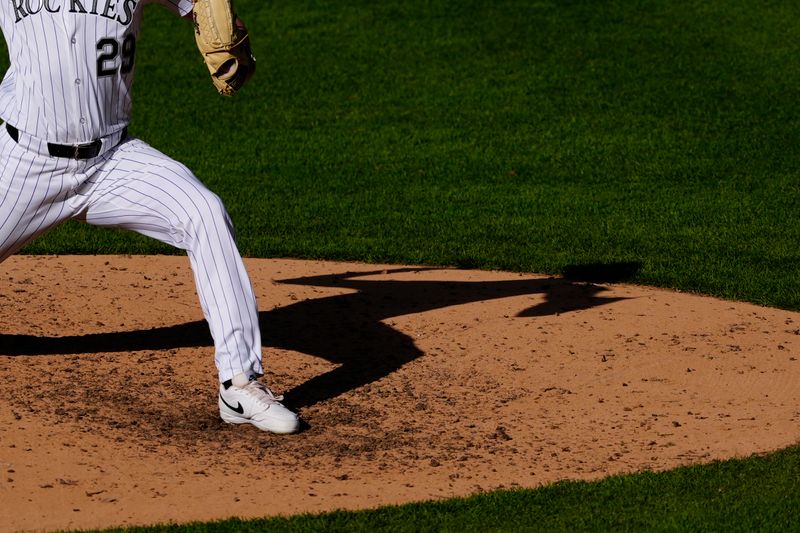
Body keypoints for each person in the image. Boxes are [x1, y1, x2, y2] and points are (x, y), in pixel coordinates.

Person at [0, 0, 299, 434]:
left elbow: (202, 5)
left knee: (204, 212)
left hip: (111, 163)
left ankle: (240, 384)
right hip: (22, 164)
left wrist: (222, 22)